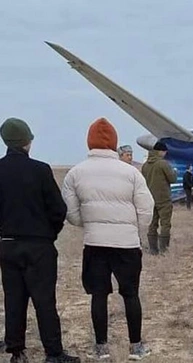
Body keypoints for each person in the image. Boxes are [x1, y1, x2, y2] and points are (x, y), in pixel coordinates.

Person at [61, 118, 154, 361]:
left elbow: (71, 213)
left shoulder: (75, 173)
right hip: (127, 244)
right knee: (131, 294)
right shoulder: (131, 173)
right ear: (114, 143)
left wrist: (90, 224)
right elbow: (146, 208)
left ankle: (101, 348)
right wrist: (134, 229)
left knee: (99, 295)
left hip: (95, 243)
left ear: (89, 142)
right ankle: (136, 346)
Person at [0, 117, 81, 363]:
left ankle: (16, 352)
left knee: (13, 299)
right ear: (27, 142)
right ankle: (53, 353)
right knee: (44, 300)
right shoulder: (41, 170)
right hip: (39, 246)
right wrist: (49, 234)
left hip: (7, 245)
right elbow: (58, 209)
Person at [141, 141, 177, 255]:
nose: (166, 154)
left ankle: (153, 249)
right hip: (163, 198)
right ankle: (164, 249)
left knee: (152, 224)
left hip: (150, 199)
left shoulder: (145, 165)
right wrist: (174, 172)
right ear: (160, 151)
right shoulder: (163, 164)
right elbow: (172, 179)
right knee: (165, 224)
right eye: (165, 151)